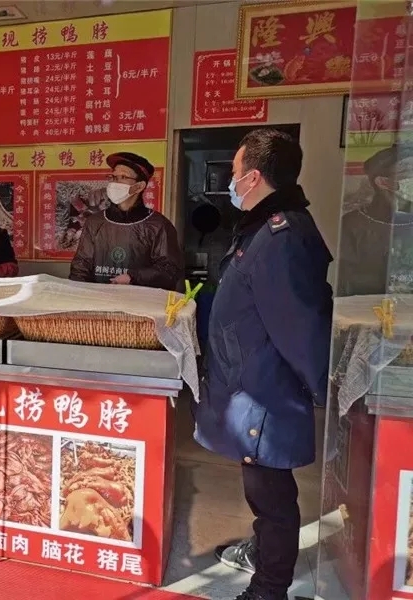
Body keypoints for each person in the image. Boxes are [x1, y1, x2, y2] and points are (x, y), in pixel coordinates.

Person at [193, 129, 333, 600]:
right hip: (253, 384)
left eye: (234, 173)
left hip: (267, 392)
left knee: (271, 497)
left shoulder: (280, 237)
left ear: (253, 177)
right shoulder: (262, 228)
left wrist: (321, 390)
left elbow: (299, 325)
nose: (230, 183)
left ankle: (269, 589)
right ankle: (263, 555)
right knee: (263, 489)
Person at [68, 152, 182, 290]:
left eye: (123, 177)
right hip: (99, 299)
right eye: (113, 177)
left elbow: (169, 271)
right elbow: (81, 267)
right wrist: (77, 294)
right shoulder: (94, 222)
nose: (115, 183)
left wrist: (133, 277)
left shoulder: (159, 225)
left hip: (140, 301)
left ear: (139, 186)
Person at [338, 143, 413, 296]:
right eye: (408, 174)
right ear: (382, 182)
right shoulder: (353, 224)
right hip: (366, 307)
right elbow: (347, 283)